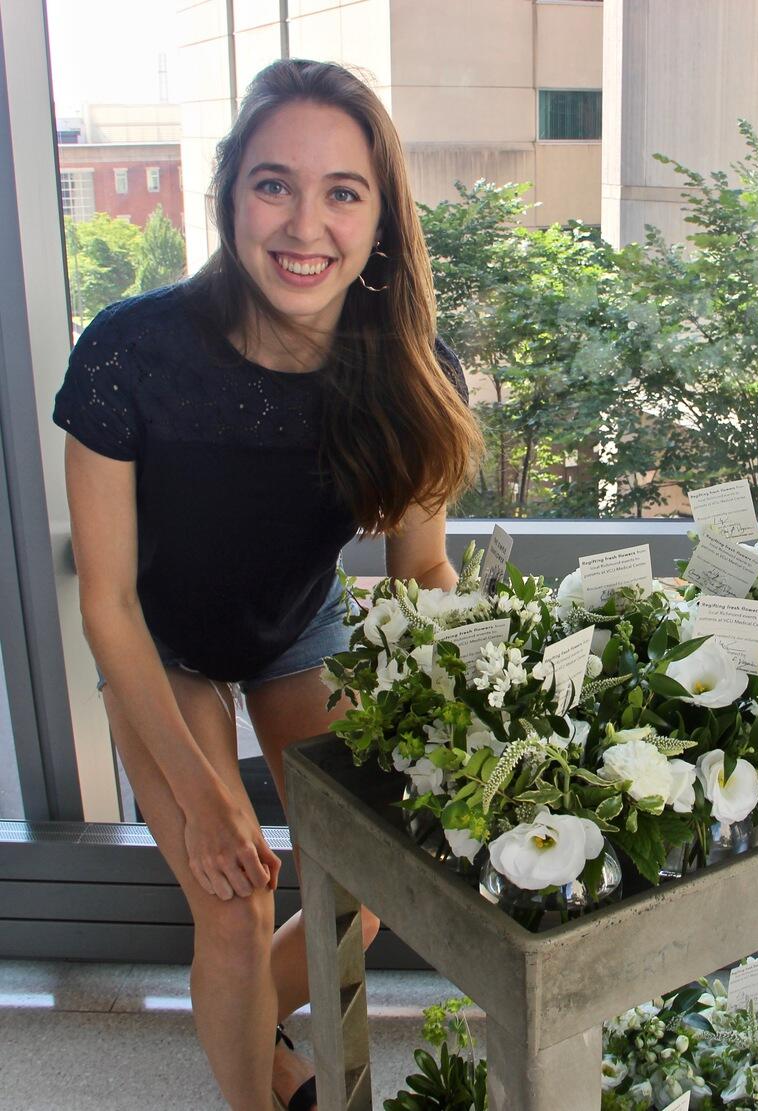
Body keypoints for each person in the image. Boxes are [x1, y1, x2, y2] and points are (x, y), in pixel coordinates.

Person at [53, 59, 481, 1111]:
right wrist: (207, 801)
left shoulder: (409, 362)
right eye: (273, 183)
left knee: (363, 889)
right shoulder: (128, 352)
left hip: (298, 627)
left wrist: (470, 700)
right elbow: (104, 600)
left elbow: (422, 568)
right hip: (162, 643)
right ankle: (261, 1082)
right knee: (235, 902)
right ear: (229, 193)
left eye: (343, 191)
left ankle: (248, 1025)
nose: (306, 224)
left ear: (380, 215)